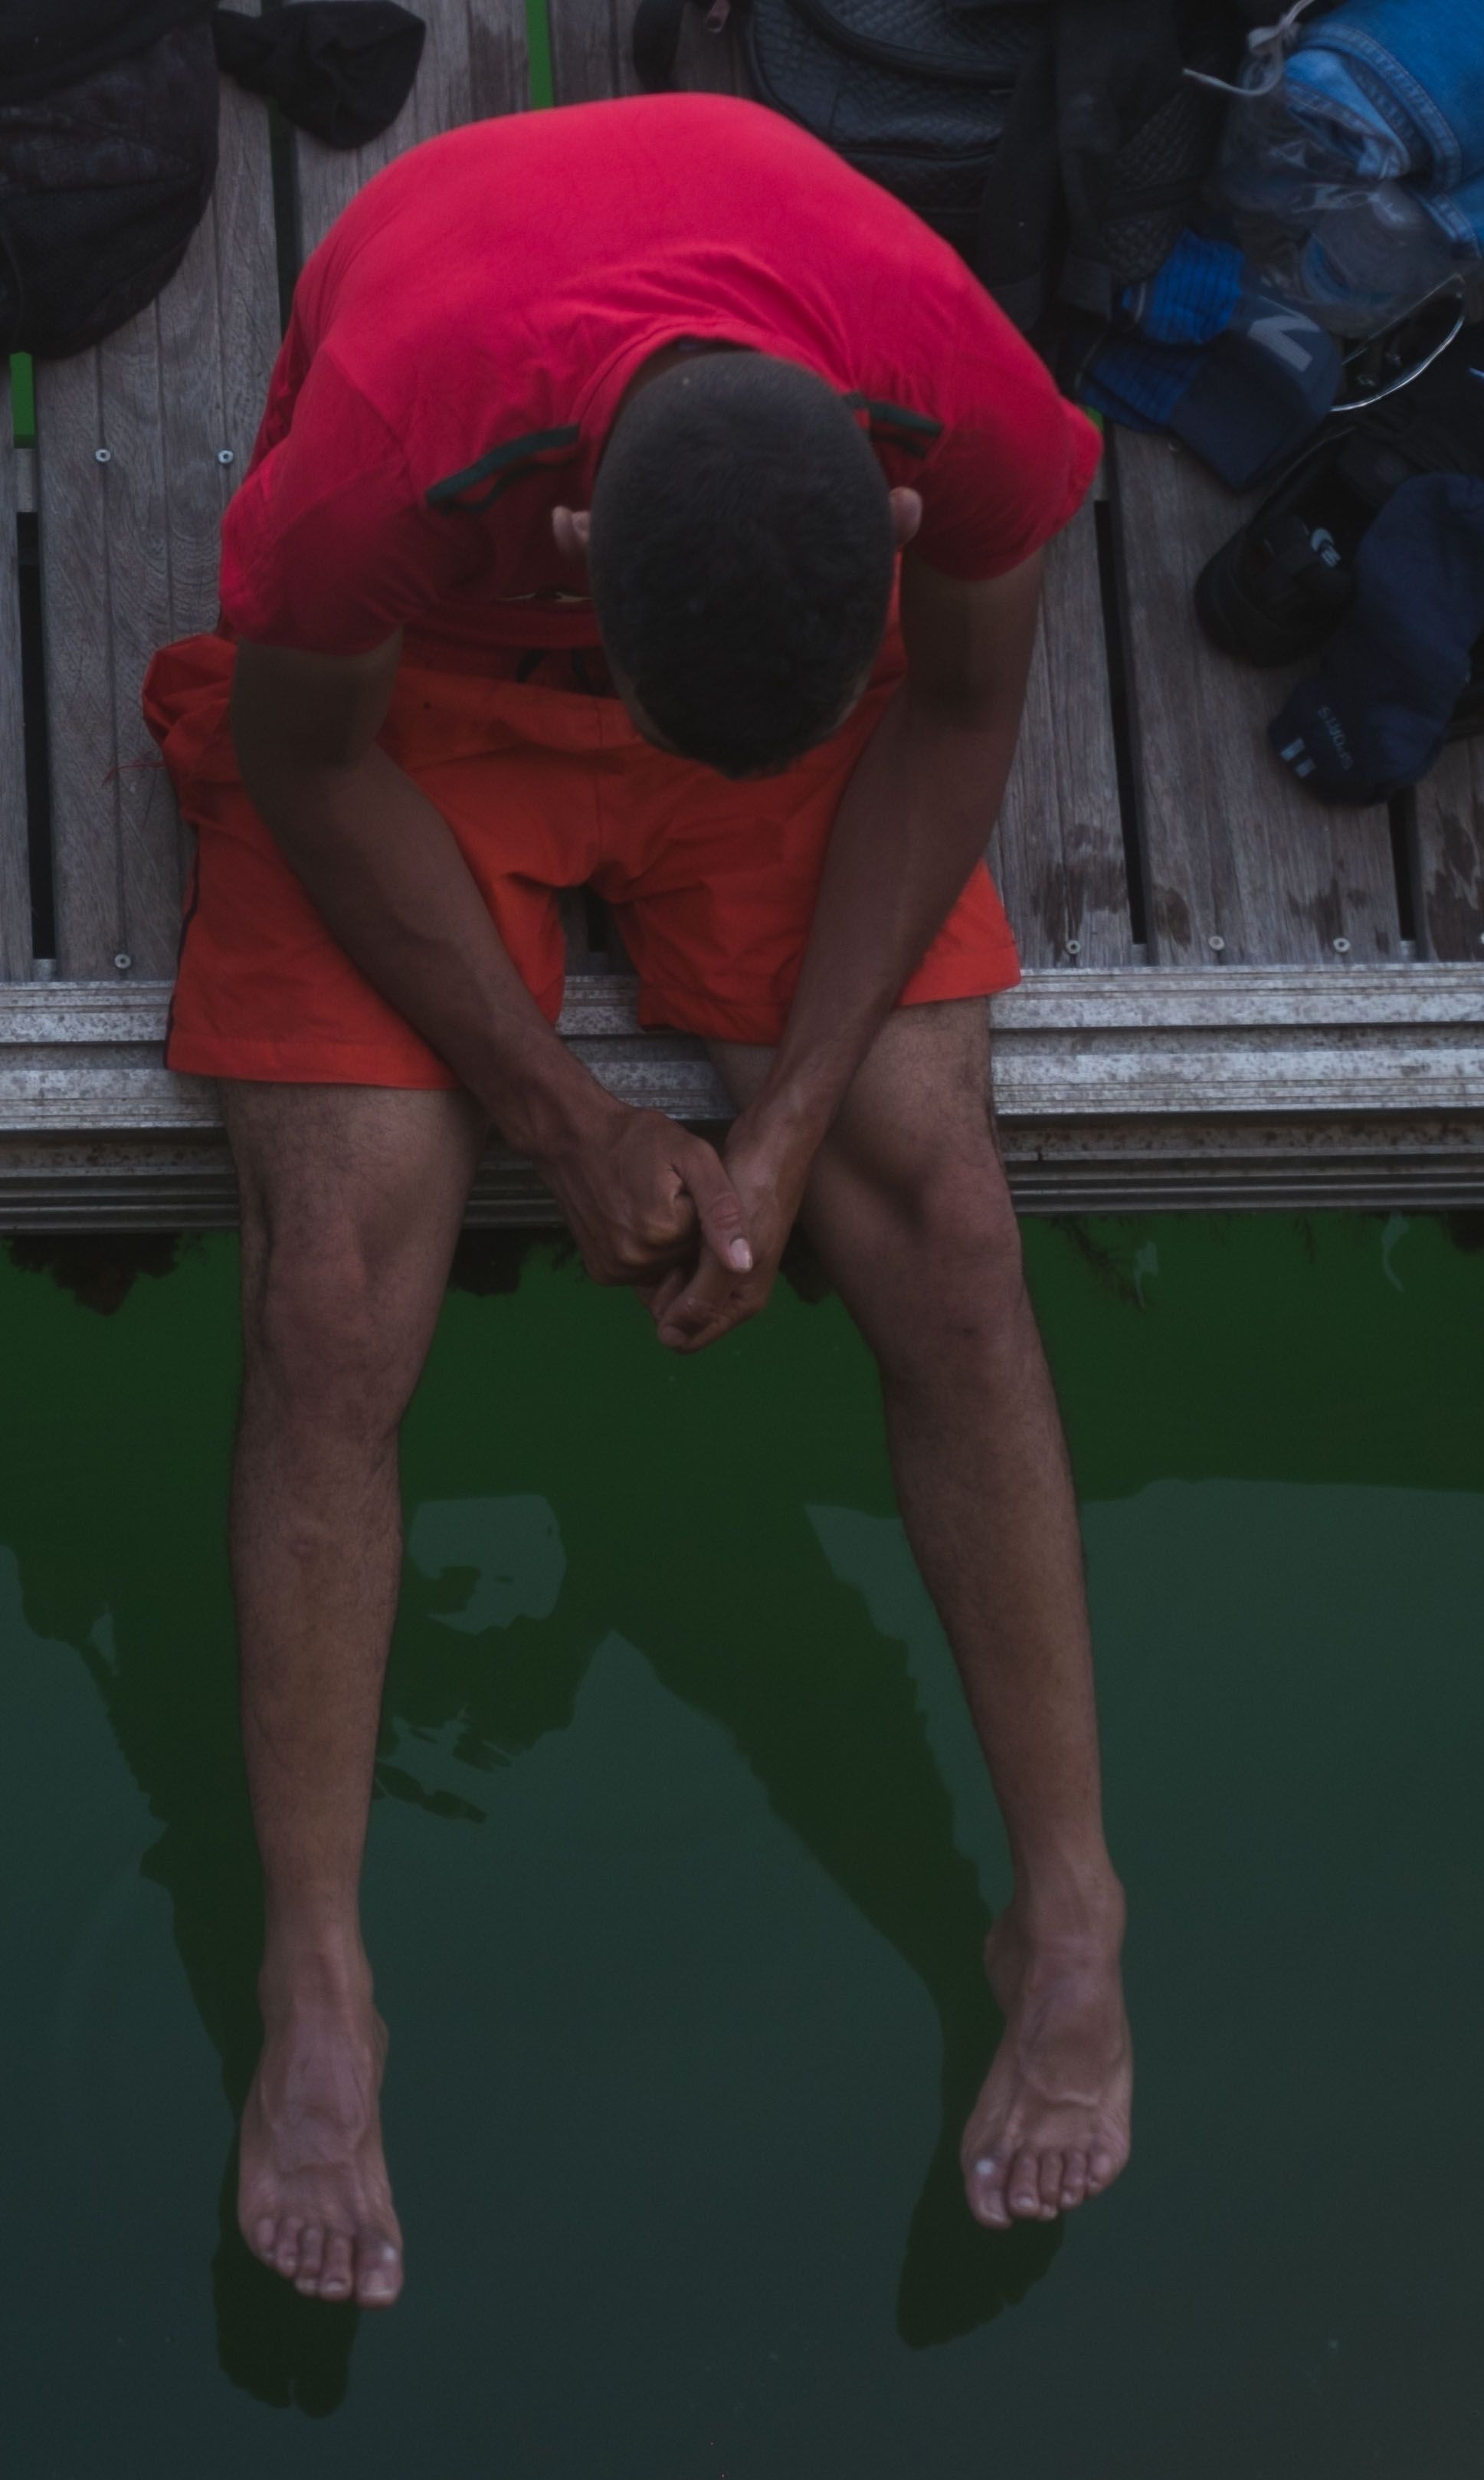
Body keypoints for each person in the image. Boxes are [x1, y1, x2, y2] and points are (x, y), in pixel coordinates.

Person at [140, 91, 1136, 2311]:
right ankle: (321, 1981)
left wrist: (782, 1117)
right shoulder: (395, 451)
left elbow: (957, 706)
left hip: (789, 678)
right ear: (579, 543)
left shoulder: (965, 397)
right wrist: (569, 1119)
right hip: (424, 710)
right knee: (326, 1291)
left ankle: (1065, 1905)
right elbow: (311, 750)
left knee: (947, 1231)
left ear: (897, 509)